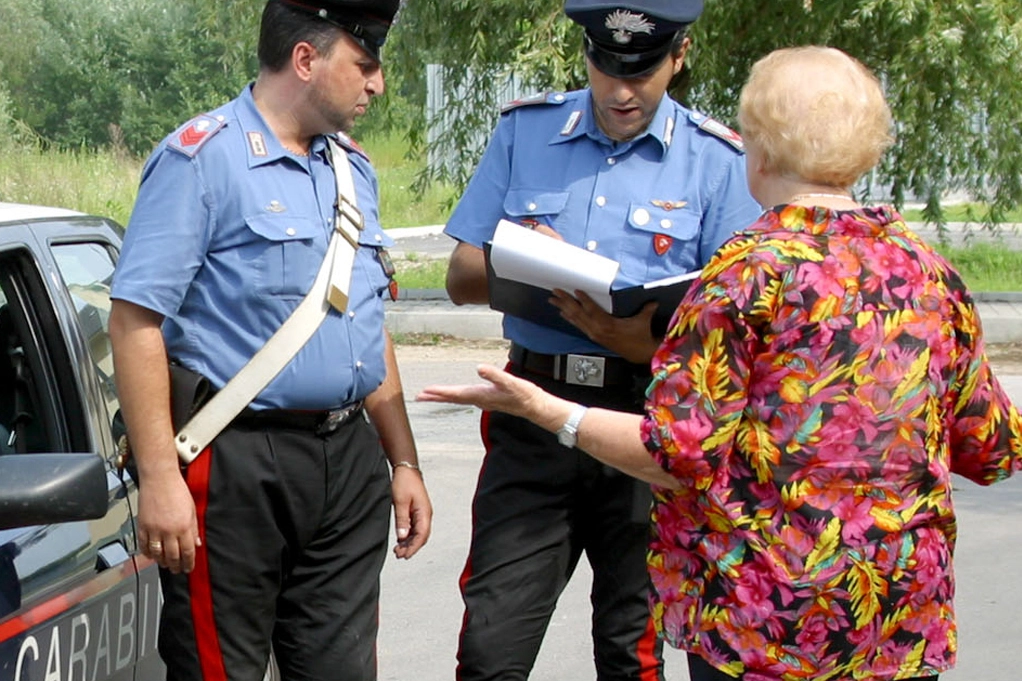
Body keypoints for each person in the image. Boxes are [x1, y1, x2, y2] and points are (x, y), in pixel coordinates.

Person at [420, 45, 1022, 681]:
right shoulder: (929, 276)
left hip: (764, 617)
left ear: (756, 154)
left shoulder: (744, 275)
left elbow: (676, 452)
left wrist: (542, 408)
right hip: (893, 618)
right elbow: (992, 448)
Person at [108, 2, 432, 679]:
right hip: (235, 464)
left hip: (346, 462)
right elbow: (136, 320)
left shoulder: (353, 171)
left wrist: (403, 459)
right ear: (307, 61)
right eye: (365, 65)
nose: (376, 84)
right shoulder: (202, 159)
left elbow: (362, 319)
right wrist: (161, 478)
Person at [441, 0, 761, 678]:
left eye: (641, 71)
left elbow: (736, 324)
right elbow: (460, 275)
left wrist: (639, 339)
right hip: (533, 408)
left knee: (630, 649)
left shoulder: (717, 161)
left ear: (678, 58)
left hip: (646, 418)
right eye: (605, 66)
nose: (620, 90)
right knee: (491, 646)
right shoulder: (527, 132)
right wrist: (521, 253)